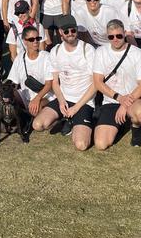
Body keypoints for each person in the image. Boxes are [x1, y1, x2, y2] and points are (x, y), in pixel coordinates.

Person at [32, 15, 96, 151]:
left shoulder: (88, 50)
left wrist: (77, 107)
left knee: (81, 145)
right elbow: (55, 82)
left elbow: (95, 84)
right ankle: (66, 119)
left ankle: (79, 122)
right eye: (66, 31)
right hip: (64, 98)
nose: (70, 34)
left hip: (83, 102)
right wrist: (61, 101)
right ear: (60, 32)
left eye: (73, 30)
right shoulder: (55, 51)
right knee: (37, 124)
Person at [92, 19, 141, 150]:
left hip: (133, 99)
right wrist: (118, 98)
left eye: (119, 35)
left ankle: (136, 127)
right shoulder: (101, 52)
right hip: (111, 100)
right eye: (111, 37)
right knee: (101, 144)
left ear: (124, 33)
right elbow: (97, 82)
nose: (115, 39)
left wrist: (124, 104)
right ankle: (122, 124)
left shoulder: (137, 53)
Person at [7, 25, 56, 119]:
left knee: (35, 111)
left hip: (45, 96)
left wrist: (37, 99)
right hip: (26, 96)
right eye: (31, 39)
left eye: (38, 38)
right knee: (7, 95)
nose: (35, 42)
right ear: (25, 41)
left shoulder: (46, 57)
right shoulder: (19, 58)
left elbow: (49, 84)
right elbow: (13, 81)